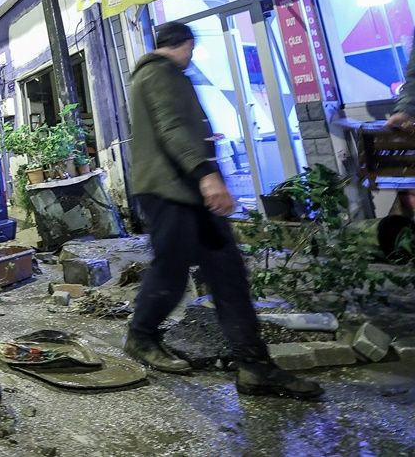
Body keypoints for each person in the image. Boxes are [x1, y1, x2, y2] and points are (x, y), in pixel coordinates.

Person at [124, 21, 321, 399]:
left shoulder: (159, 75)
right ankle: (141, 335)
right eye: (191, 49)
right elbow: (172, 128)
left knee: (228, 273)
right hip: (170, 190)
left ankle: (254, 365)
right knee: (171, 271)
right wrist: (206, 174)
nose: (192, 56)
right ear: (186, 44)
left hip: (186, 190)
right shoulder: (160, 74)